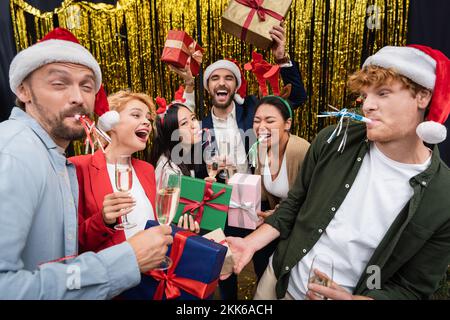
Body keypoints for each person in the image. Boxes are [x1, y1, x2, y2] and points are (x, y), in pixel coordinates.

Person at [226, 45, 450, 300]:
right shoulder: (333, 140)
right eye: (366, 96)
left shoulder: (443, 197)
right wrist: (250, 243)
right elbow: (294, 204)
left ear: (422, 96)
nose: (368, 106)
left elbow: (413, 289)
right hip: (278, 279)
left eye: (383, 93)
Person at [0, 28, 172, 299]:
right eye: (59, 83)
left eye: (87, 86)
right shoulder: (14, 153)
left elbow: (62, 258)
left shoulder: (55, 161)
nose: (78, 98)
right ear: (23, 90)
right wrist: (126, 260)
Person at [200, 23, 307, 300]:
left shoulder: (254, 112)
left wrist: (282, 57)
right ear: (208, 87)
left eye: (228, 78)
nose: (221, 83)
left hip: (258, 204)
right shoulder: (199, 126)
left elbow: (295, 97)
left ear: (235, 85)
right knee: (223, 268)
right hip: (220, 204)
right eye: (214, 78)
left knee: (264, 264)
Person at [251, 95, 310, 279]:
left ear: (287, 124)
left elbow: (314, 200)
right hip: (278, 219)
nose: (261, 127)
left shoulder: (301, 151)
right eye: (257, 121)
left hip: (301, 226)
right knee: (260, 257)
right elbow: (261, 192)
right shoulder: (261, 148)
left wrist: (278, 212)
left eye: (270, 120)